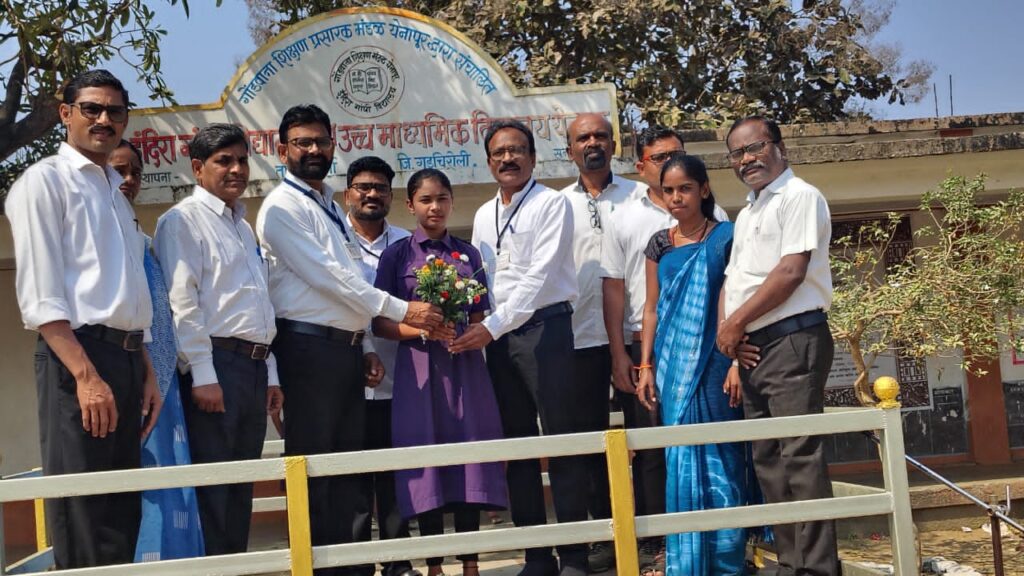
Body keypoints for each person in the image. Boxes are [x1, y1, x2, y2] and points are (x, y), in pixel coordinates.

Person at [256, 104, 443, 576]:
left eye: (321, 141)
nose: (313, 149)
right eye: (302, 142)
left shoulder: (326, 206)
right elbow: (331, 279)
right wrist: (402, 309)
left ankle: (353, 568)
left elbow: (350, 283)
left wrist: (364, 346)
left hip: (342, 350)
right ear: (282, 149)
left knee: (348, 471)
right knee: (315, 471)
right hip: (306, 350)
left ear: (333, 145)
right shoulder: (282, 207)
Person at [5, 69, 161, 569]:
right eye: (91, 109)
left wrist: (146, 370)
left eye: (115, 111)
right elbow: (41, 295)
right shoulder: (45, 183)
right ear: (65, 114)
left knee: (122, 506)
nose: (103, 120)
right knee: (84, 509)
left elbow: (127, 291)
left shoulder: (114, 190)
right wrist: (86, 376)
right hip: (77, 358)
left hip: (127, 359)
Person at [450, 119, 584, 576]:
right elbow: (479, 279)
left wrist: (491, 326)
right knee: (518, 447)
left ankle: (574, 556)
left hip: (545, 331)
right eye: (499, 153)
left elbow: (538, 278)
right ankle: (536, 555)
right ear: (489, 162)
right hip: (500, 339)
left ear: (533, 156)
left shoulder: (552, 204)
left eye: (517, 150)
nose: (508, 158)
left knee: (562, 443)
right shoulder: (484, 214)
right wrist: (471, 322)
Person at [153, 123, 283, 556]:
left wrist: (270, 372)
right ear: (197, 168)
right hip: (215, 367)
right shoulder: (182, 221)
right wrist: (203, 373)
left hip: (251, 368)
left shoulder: (243, 227)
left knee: (240, 487)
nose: (237, 169)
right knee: (213, 489)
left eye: (242, 160)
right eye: (223, 161)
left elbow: (258, 306)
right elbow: (182, 303)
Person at [717, 116, 839, 576]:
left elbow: (791, 272)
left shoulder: (799, 196)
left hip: (793, 339)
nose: (747, 159)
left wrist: (735, 325)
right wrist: (729, 333)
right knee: (768, 461)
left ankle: (818, 569)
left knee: (799, 458)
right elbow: (734, 281)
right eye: (737, 153)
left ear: (779, 147)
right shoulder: (749, 212)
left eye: (756, 147)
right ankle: (791, 563)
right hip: (753, 348)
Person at [373, 168, 508, 576]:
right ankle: (434, 564)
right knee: (428, 462)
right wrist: (422, 329)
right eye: (426, 199)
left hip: (465, 368)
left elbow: (481, 315)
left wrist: (470, 335)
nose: (435, 207)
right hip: (419, 373)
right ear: (410, 205)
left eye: (442, 198)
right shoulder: (397, 256)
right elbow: (379, 323)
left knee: (468, 461)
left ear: (451, 202)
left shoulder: (468, 255)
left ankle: (470, 563)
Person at [635, 153, 756, 576]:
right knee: (680, 459)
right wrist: (645, 367)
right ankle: (687, 562)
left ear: (703, 189)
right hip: (672, 371)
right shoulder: (659, 244)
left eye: (685, 188)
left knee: (723, 456)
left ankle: (727, 560)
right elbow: (651, 308)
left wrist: (736, 364)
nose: (676, 198)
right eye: (668, 190)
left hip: (716, 365)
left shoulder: (726, 237)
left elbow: (738, 300)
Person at [109, 140, 205, 561]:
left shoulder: (142, 241)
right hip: (125, 377)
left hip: (162, 384)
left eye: (135, 172)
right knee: (139, 491)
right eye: (119, 170)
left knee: (172, 482)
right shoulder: (98, 238)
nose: (129, 180)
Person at [558, 113, 643, 572]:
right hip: (577, 340)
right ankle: (602, 534)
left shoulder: (641, 197)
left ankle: (650, 533)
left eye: (600, 136)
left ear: (613, 145)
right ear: (569, 149)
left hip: (636, 338)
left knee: (646, 438)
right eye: (583, 137)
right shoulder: (555, 206)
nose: (592, 143)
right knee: (589, 442)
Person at [598, 125, 684, 566]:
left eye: (676, 154)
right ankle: (655, 542)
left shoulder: (711, 214)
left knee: (697, 440)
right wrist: (619, 354)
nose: (670, 164)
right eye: (660, 158)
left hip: (696, 347)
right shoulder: (624, 217)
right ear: (640, 166)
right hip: (641, 348)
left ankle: (704, 533)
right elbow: (613, 290)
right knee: (649, 448)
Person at [342, 155, 417, 576]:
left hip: (400, 379)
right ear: (347, 194)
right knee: (352, 477)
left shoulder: (409, 244)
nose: (372, 194)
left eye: (381, 188)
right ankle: (355, 566)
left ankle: (397, 563)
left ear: (391, 196)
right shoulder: (334, 243)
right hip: (347, 379)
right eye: (363, 187)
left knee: (394, 476)